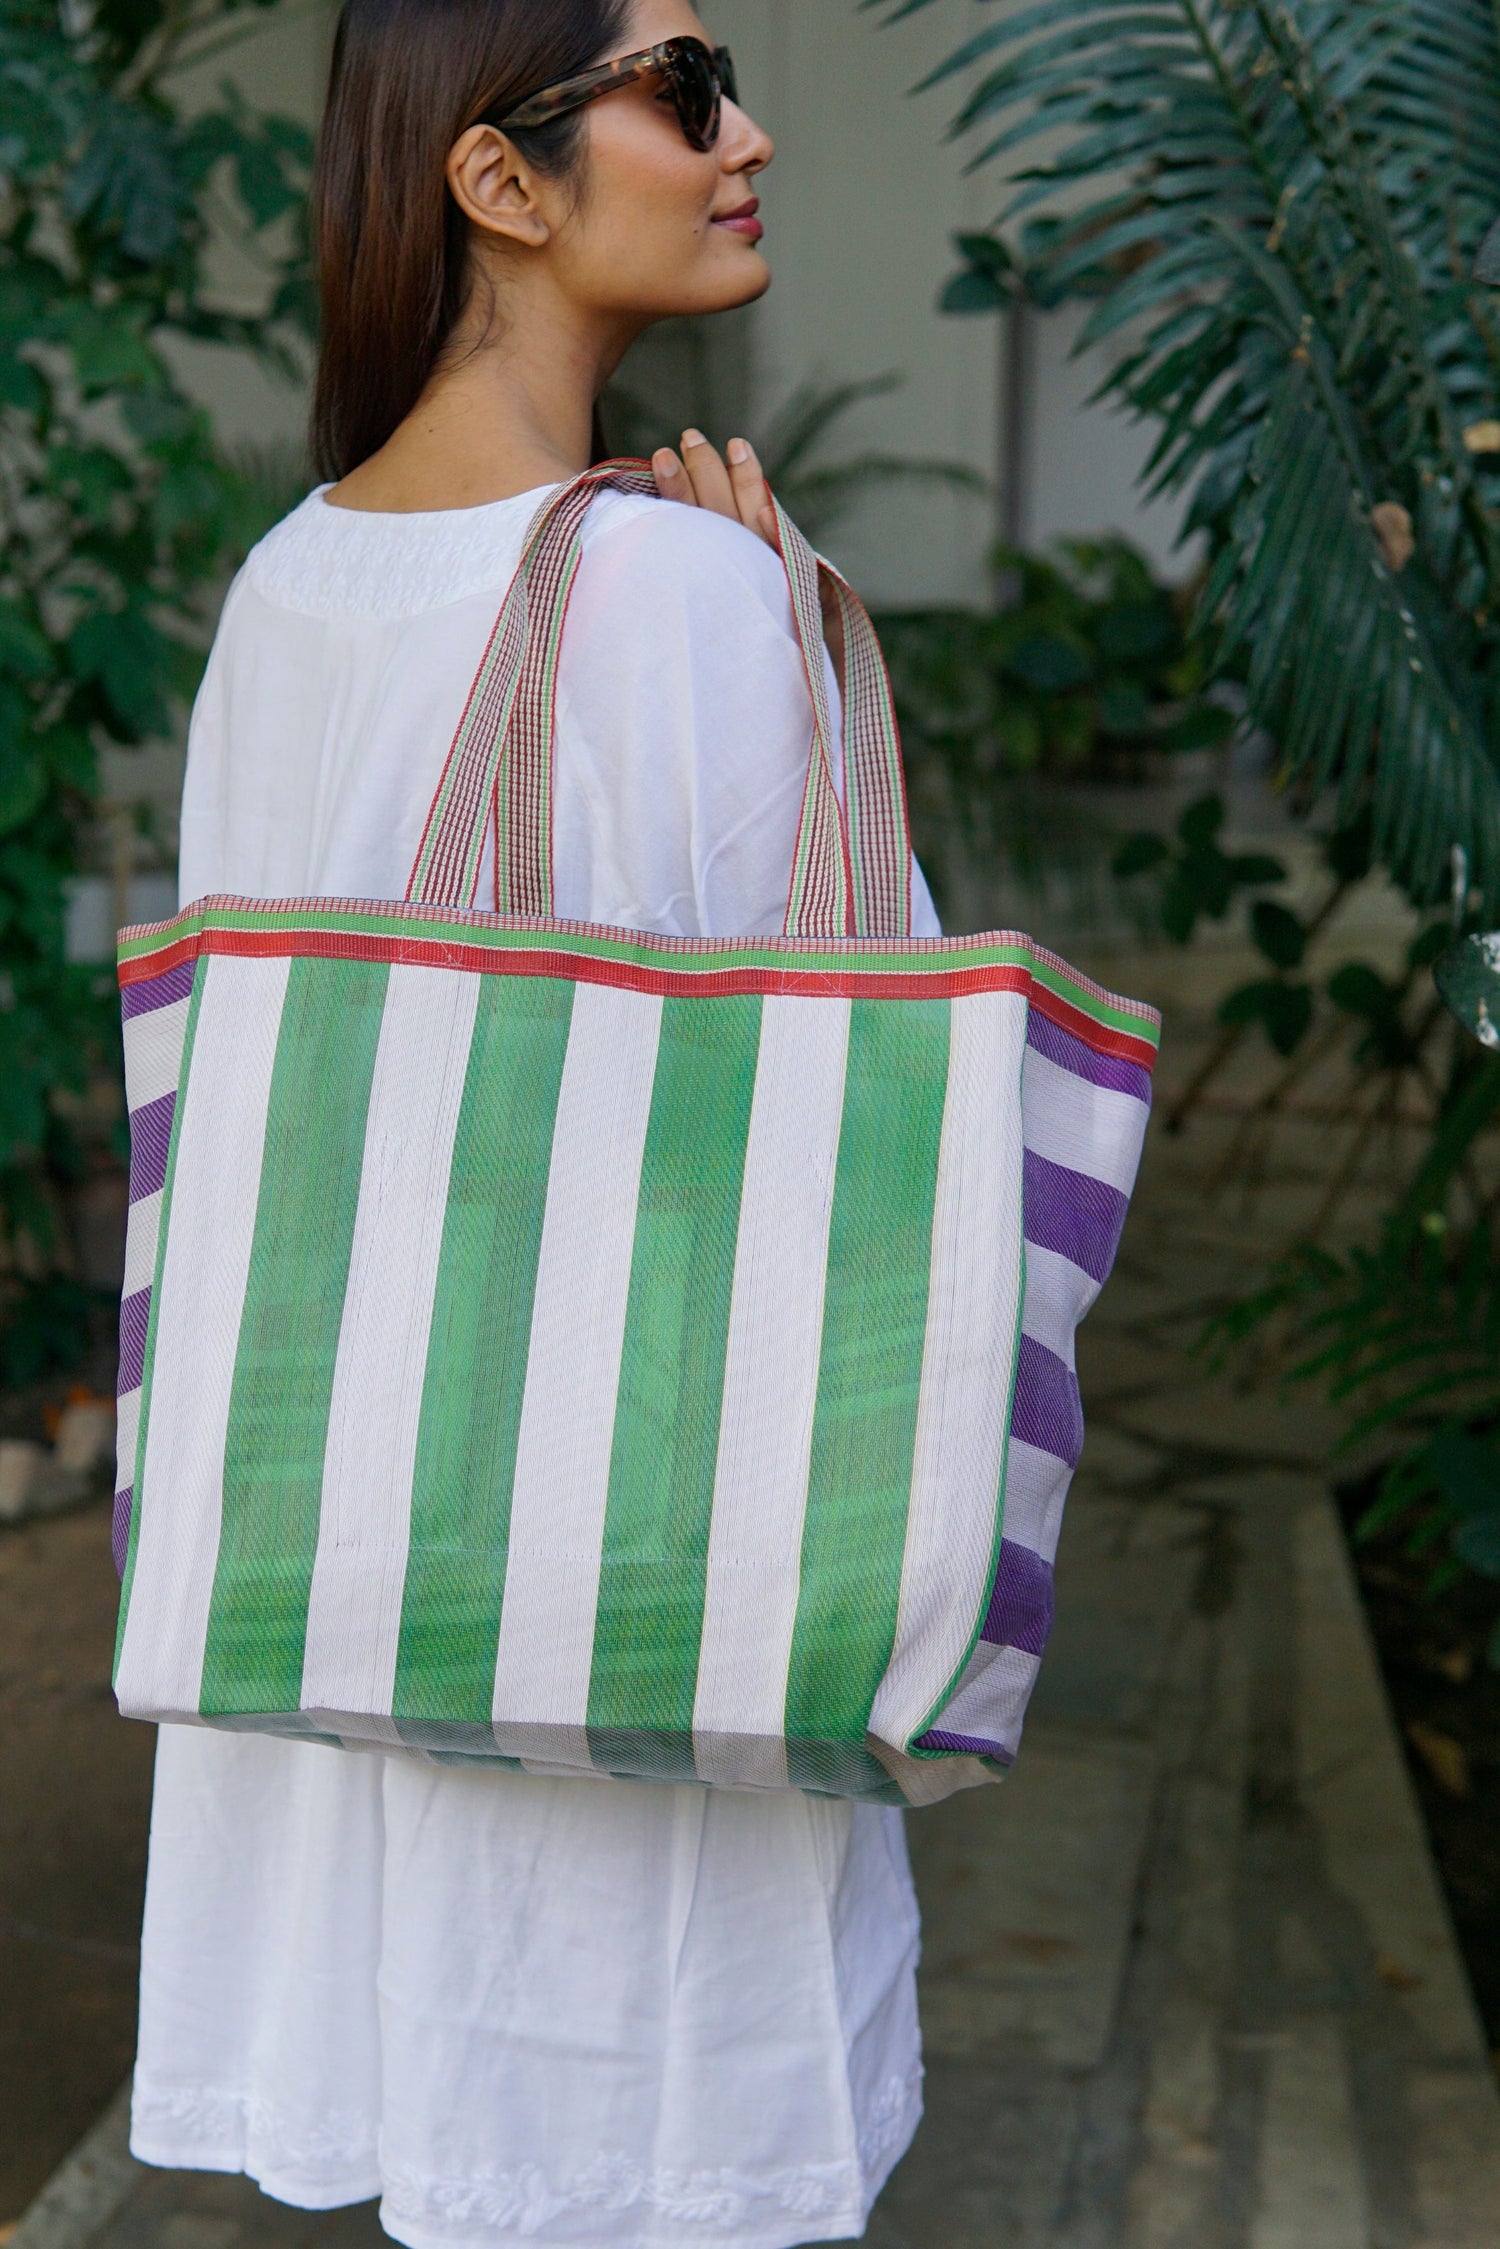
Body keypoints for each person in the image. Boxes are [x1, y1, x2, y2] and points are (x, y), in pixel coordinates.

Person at [130, 2, 942, 2242]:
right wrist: (775, 617)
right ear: (501, 182)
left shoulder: (278, 596)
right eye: (686, 91)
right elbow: (870, 1087)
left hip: (351, 1618)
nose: (745, 132)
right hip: (643, 1633)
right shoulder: (684, 595)